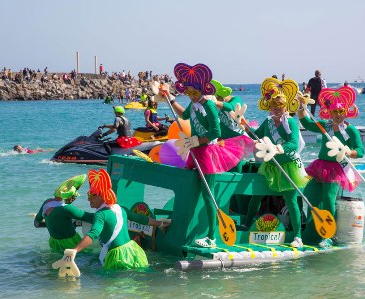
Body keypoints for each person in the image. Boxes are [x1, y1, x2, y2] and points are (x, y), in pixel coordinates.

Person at [163, 63, 252, 247]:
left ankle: (211, 237)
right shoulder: (193, 103)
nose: (191, 95)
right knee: (193, 190)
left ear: (202, 90)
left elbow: (216, 131)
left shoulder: (209, 105)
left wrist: (196, 141)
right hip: (195, 151)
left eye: (194, 92)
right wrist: (170, 100)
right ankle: (187, 229)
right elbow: (185, 115)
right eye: (188, 92)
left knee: (208, 195)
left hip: (208, 152)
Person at [297, 86, 364, 247]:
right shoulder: (325, 126)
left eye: (341, 112)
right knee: (309, 196)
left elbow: (360, 151)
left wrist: (349, 152)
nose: (338, 115)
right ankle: (311, 232)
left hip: (336, 169)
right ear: (330, 112)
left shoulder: (350, 130)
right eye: (335, 112)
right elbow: (306, 122)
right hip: (319, 166)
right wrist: (301, 107)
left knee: (328, 200)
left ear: (346, 112)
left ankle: (328, 234)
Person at [247, 77, 309, 248]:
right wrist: (244, 125)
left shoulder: (290, 123)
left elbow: (293, 144)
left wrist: (277, 148)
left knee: (291, 200)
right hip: (270, 165)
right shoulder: (267, 122)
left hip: (288, 166)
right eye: (273, 105)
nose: (276, 108)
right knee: (256, 194)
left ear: (286, 106)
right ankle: (246, 225)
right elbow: (255, 135)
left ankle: (297, 237)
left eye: (279, 105)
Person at [67, 169, 170, 270]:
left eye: (92, 195)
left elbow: (93, 234)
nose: (89, 199)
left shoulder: (100, 215)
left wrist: (75, 250)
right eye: (88, 195)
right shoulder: (121, 208)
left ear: (102, 196)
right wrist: (160, 223)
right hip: (132, 251)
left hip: (117, 257)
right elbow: (140, 219)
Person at [34, 174, 94, 253]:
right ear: (70, 196)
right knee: (86, 256)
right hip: (70, 242)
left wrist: (51, 223)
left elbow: (36, 223)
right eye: (74, 196)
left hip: (54, 242)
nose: (74, 199)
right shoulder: (66, 208)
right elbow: (90, 217)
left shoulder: (47, 203)